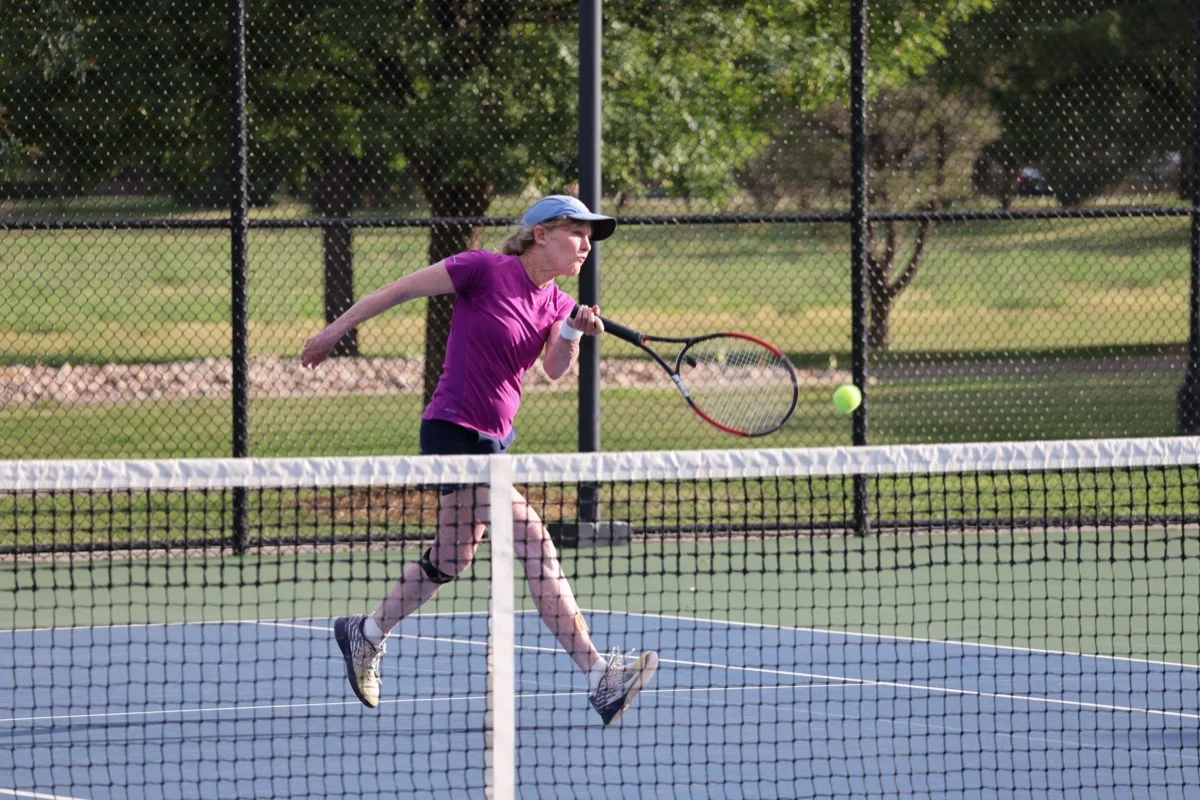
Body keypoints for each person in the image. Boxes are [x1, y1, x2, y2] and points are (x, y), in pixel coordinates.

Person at [300, 194, 659, 726]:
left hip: (495, 442)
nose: (586, 246)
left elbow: (554, 368)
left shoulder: (558, 302)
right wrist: (334, 331)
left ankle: (366, 633)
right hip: (451, 431)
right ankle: (599, 675)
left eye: (590, 237)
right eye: (577, 233)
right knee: (532, 538)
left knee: (452, 557)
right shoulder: (483, 269)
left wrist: (571, 331)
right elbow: (399, 290)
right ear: (541, 235)